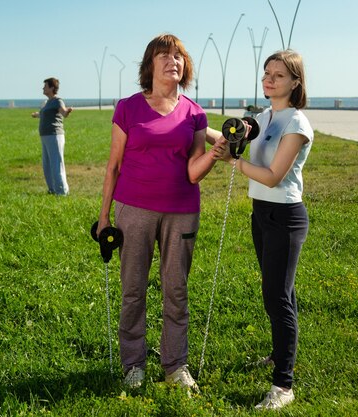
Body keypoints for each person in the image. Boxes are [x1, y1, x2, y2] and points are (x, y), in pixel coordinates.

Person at [96, 34, 220, 391]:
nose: (174, 61)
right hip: (134, 210)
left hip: (182, 211)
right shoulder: (128, 108)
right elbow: (113, 166)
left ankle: (175, 365)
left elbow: (193, 170)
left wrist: (215, 153)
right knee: (133, 289)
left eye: (179, 56)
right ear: (149, 65)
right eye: (165, 55)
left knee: (176, 290)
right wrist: (104, 217)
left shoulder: (195, 113)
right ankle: (133, 364)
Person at [209, 49, 313, 410]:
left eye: (279, 75)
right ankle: (278, 354)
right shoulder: (264, 116)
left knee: (276, 296)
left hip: (285, 217)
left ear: (295, 82)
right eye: (266, 73)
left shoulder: (296, 124)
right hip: (261, 214)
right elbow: (241, 132)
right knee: (280, 292)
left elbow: (272, 176)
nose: (269, 80)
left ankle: (284, 385)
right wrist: (223, 135)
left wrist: (234, 161)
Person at [31, 78, 73, 195]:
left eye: (45, 86)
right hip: (45, 136)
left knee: (56, 164)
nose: (43, 88)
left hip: (55, 136)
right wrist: (37, 115)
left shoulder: (58, 101)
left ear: (51, 88)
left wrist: (67, 111)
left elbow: (63, 113)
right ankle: (52, 189)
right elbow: (46, 114)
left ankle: (62, 192)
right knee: (47, 165)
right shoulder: (48, 102)